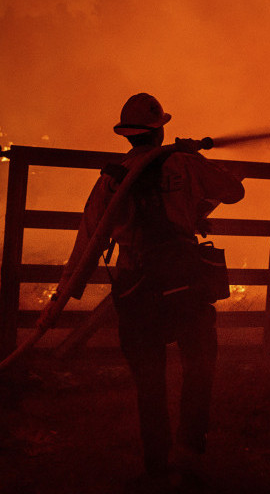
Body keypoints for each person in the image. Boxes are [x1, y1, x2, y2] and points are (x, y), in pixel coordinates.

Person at [57, 93, 244, 485]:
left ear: (128, 136)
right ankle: (190, 450)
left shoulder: (111, 177)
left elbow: (90, 236)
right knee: (200, 363)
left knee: (149, 379)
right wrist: (194, 158)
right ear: (160, 130)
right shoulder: (183, 164)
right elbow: (233, 189)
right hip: (184, 284)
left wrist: (62, 296)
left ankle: (157, 464)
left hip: (136, 286)